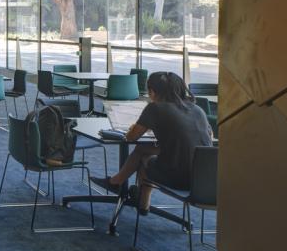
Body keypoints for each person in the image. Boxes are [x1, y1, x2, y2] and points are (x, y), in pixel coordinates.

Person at [91, 71, 213, 213]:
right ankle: (137, 201)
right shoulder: (197, 109)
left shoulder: (155, 108)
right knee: (143, 150)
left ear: (152, 91)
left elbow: (131, 137)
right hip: (203, 180)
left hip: (177, 178)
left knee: (144, 157)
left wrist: (134, 127)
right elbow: (207, 137)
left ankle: (124, 189)